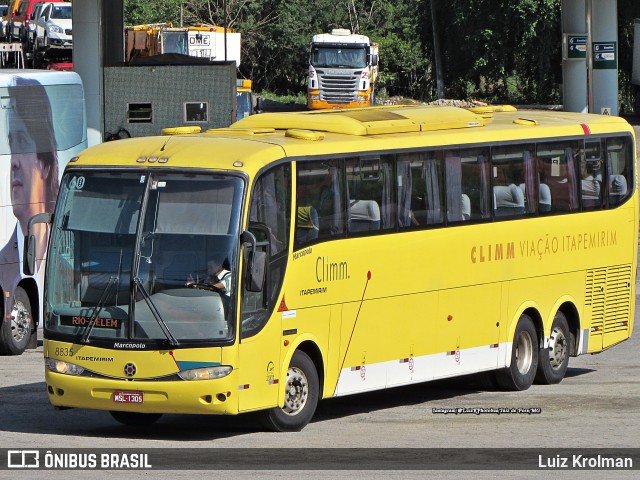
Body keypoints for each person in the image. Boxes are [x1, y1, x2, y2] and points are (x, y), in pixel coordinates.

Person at [0, 76, 59, 299]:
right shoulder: (2, 263)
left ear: (44, 165)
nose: (13, 161)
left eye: (22, 143)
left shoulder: (69, 254)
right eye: (11, 144)